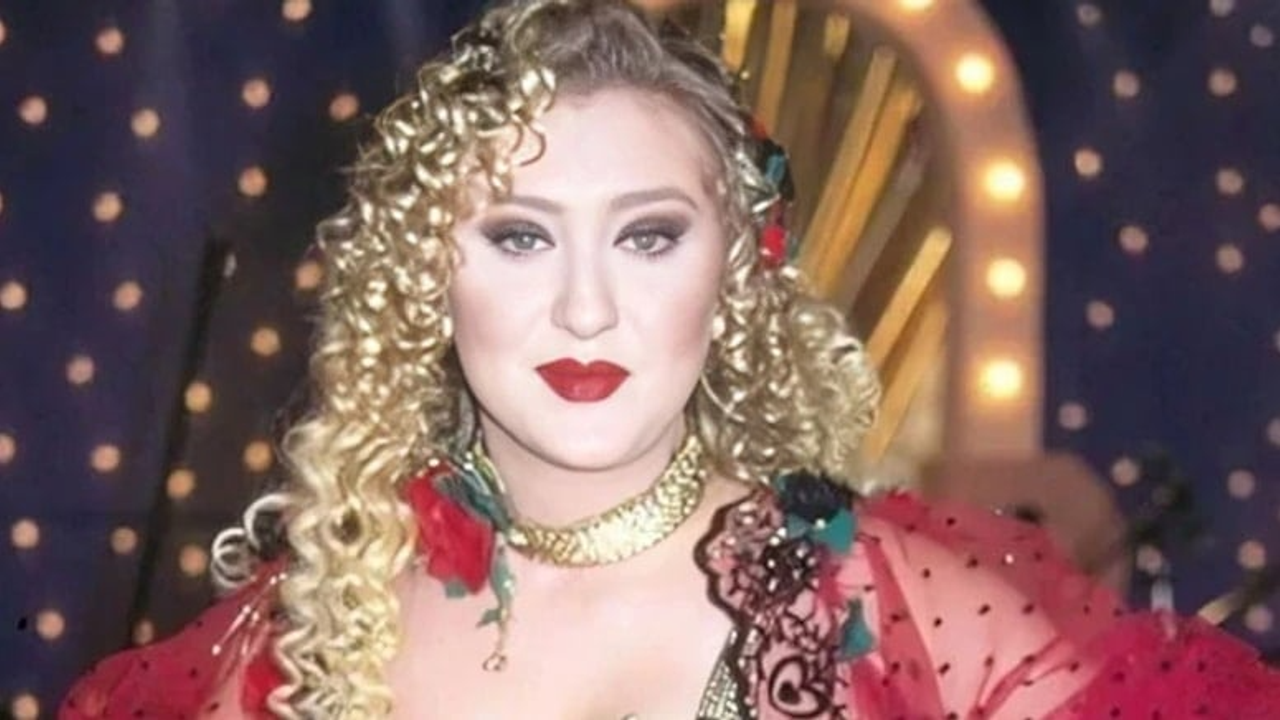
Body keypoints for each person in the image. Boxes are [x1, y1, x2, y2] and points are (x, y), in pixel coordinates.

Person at [61, 1, 1278, 718]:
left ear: (732, 270)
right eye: (520, 236)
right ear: (426, 273)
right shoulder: (310, 641)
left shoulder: (889, 604)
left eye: (647, 236)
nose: (586, 310)